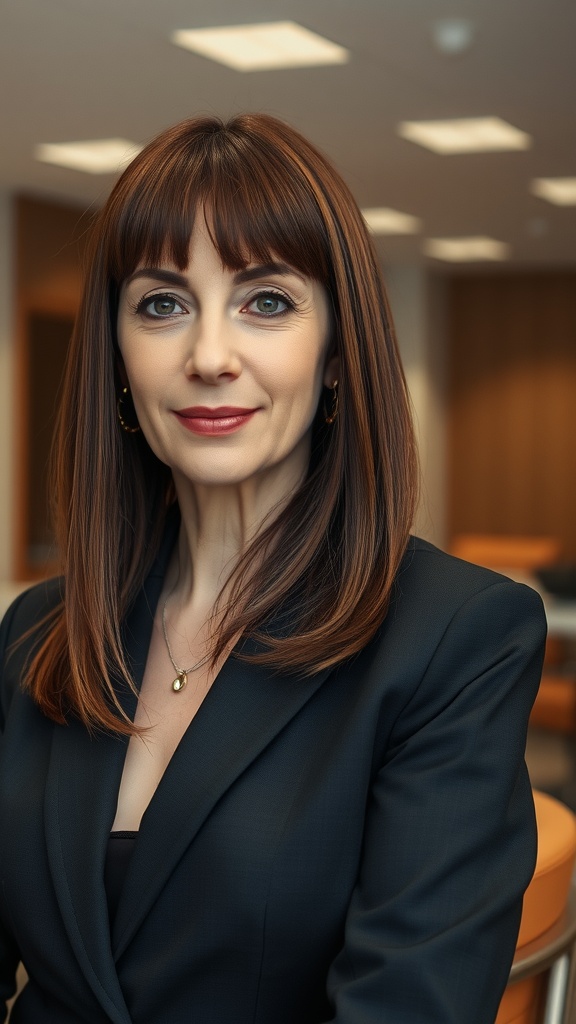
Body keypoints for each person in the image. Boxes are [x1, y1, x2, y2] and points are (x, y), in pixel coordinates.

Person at [0, 113, 546, 1024]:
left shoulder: (457, 636)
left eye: (267, 300)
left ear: (337, 354)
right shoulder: (37, 633)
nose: (209, 356)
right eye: (162, 303)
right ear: (120, 356)